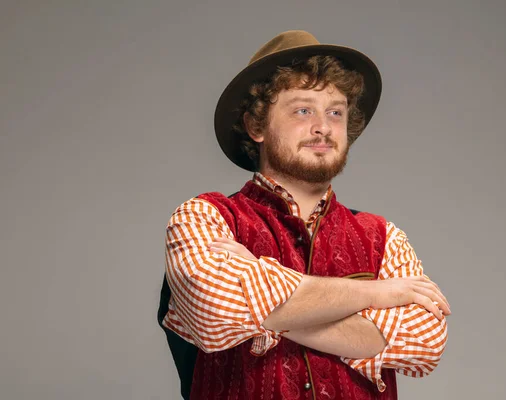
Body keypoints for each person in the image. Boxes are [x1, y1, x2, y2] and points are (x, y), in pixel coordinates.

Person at [158, 30, 450, 400]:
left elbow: (424, 342)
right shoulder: (204, 218)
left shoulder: (384, 236)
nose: (323, 127)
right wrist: (377, 293)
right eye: (302, 110)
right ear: (256, 125)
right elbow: (217, 306)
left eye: (335, 112)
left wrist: (263, 303)